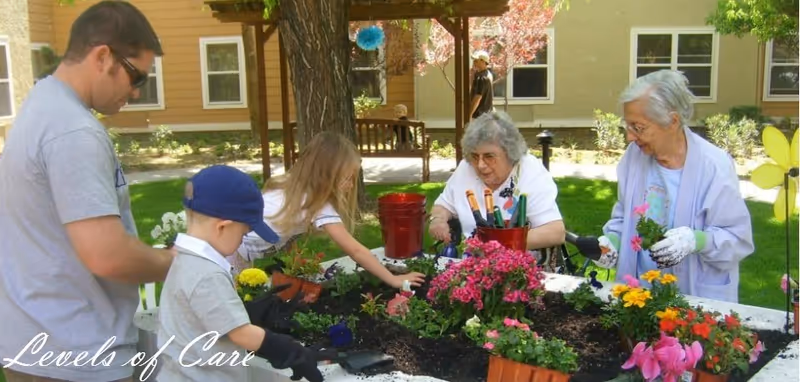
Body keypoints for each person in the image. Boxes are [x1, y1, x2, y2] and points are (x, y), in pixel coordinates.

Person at [0, 2, 174, 381]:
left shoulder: (41, 104)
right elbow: (107, 256)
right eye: (136, 77)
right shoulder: (73, 132)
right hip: (77, 352)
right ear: (102, 56)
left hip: (35, 344)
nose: (137, 93)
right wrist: (178, 262)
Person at [593, 69, 754, 303]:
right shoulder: (633, 157)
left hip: (695, 300)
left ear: (672, 121)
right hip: (640, 297)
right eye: (627, 126)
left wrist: (695, 241)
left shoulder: (714, 166)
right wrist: (612, 243)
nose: (629, 137)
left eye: (638, 127)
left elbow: (737, 239)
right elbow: (624, 216)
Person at [156, 165, 323, 382]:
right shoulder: (207, 274)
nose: (242, 240)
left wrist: (242, 311)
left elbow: (201, 313)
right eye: (243, 232)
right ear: (223, 227)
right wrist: (294, 352)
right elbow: (241, 335)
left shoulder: (182, 259)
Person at [233, 131, 426, 290]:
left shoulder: (291, 188)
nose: (351, 185)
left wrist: (300, 262)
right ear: (327, 175)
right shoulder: (318, 204)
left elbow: (283, 232)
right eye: (347, 178)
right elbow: (356, 250)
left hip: (228, 245)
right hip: (229, 253)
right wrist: (394, 279)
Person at [428, 111, 566, 251]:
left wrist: (498, 245)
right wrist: (438, 220)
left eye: (489, 156)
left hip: (521, 266)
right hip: (473, 264)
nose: (480, 164)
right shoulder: (466, 167)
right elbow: (443, 205)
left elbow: (555, 232)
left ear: (510, 153)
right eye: (475, 156)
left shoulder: (530, 171)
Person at [469, 50, 495, 120]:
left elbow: (477, 97)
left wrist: (469, 115)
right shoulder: (488, 74)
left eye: (476, 61)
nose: (474, 63)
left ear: (483, 62)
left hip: (480, 117)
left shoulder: (482, 78)